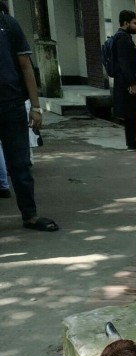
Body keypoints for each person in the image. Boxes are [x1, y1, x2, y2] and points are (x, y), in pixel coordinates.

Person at [0, 6, 58, 230]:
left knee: (20, 165)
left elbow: (26, 66)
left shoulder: (8, 24)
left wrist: (36, 107)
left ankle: (30, 215)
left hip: (11, 105)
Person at [112, 10, 136, 151]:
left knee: (131, 115)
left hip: (125, 82)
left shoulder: (122, 37)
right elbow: (125, 63)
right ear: (126, 23)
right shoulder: (123, 39)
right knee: (135, 114)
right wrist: (132, 83)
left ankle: (132, 143)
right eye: (134, 23)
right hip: (128, 83)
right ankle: (135, 142)